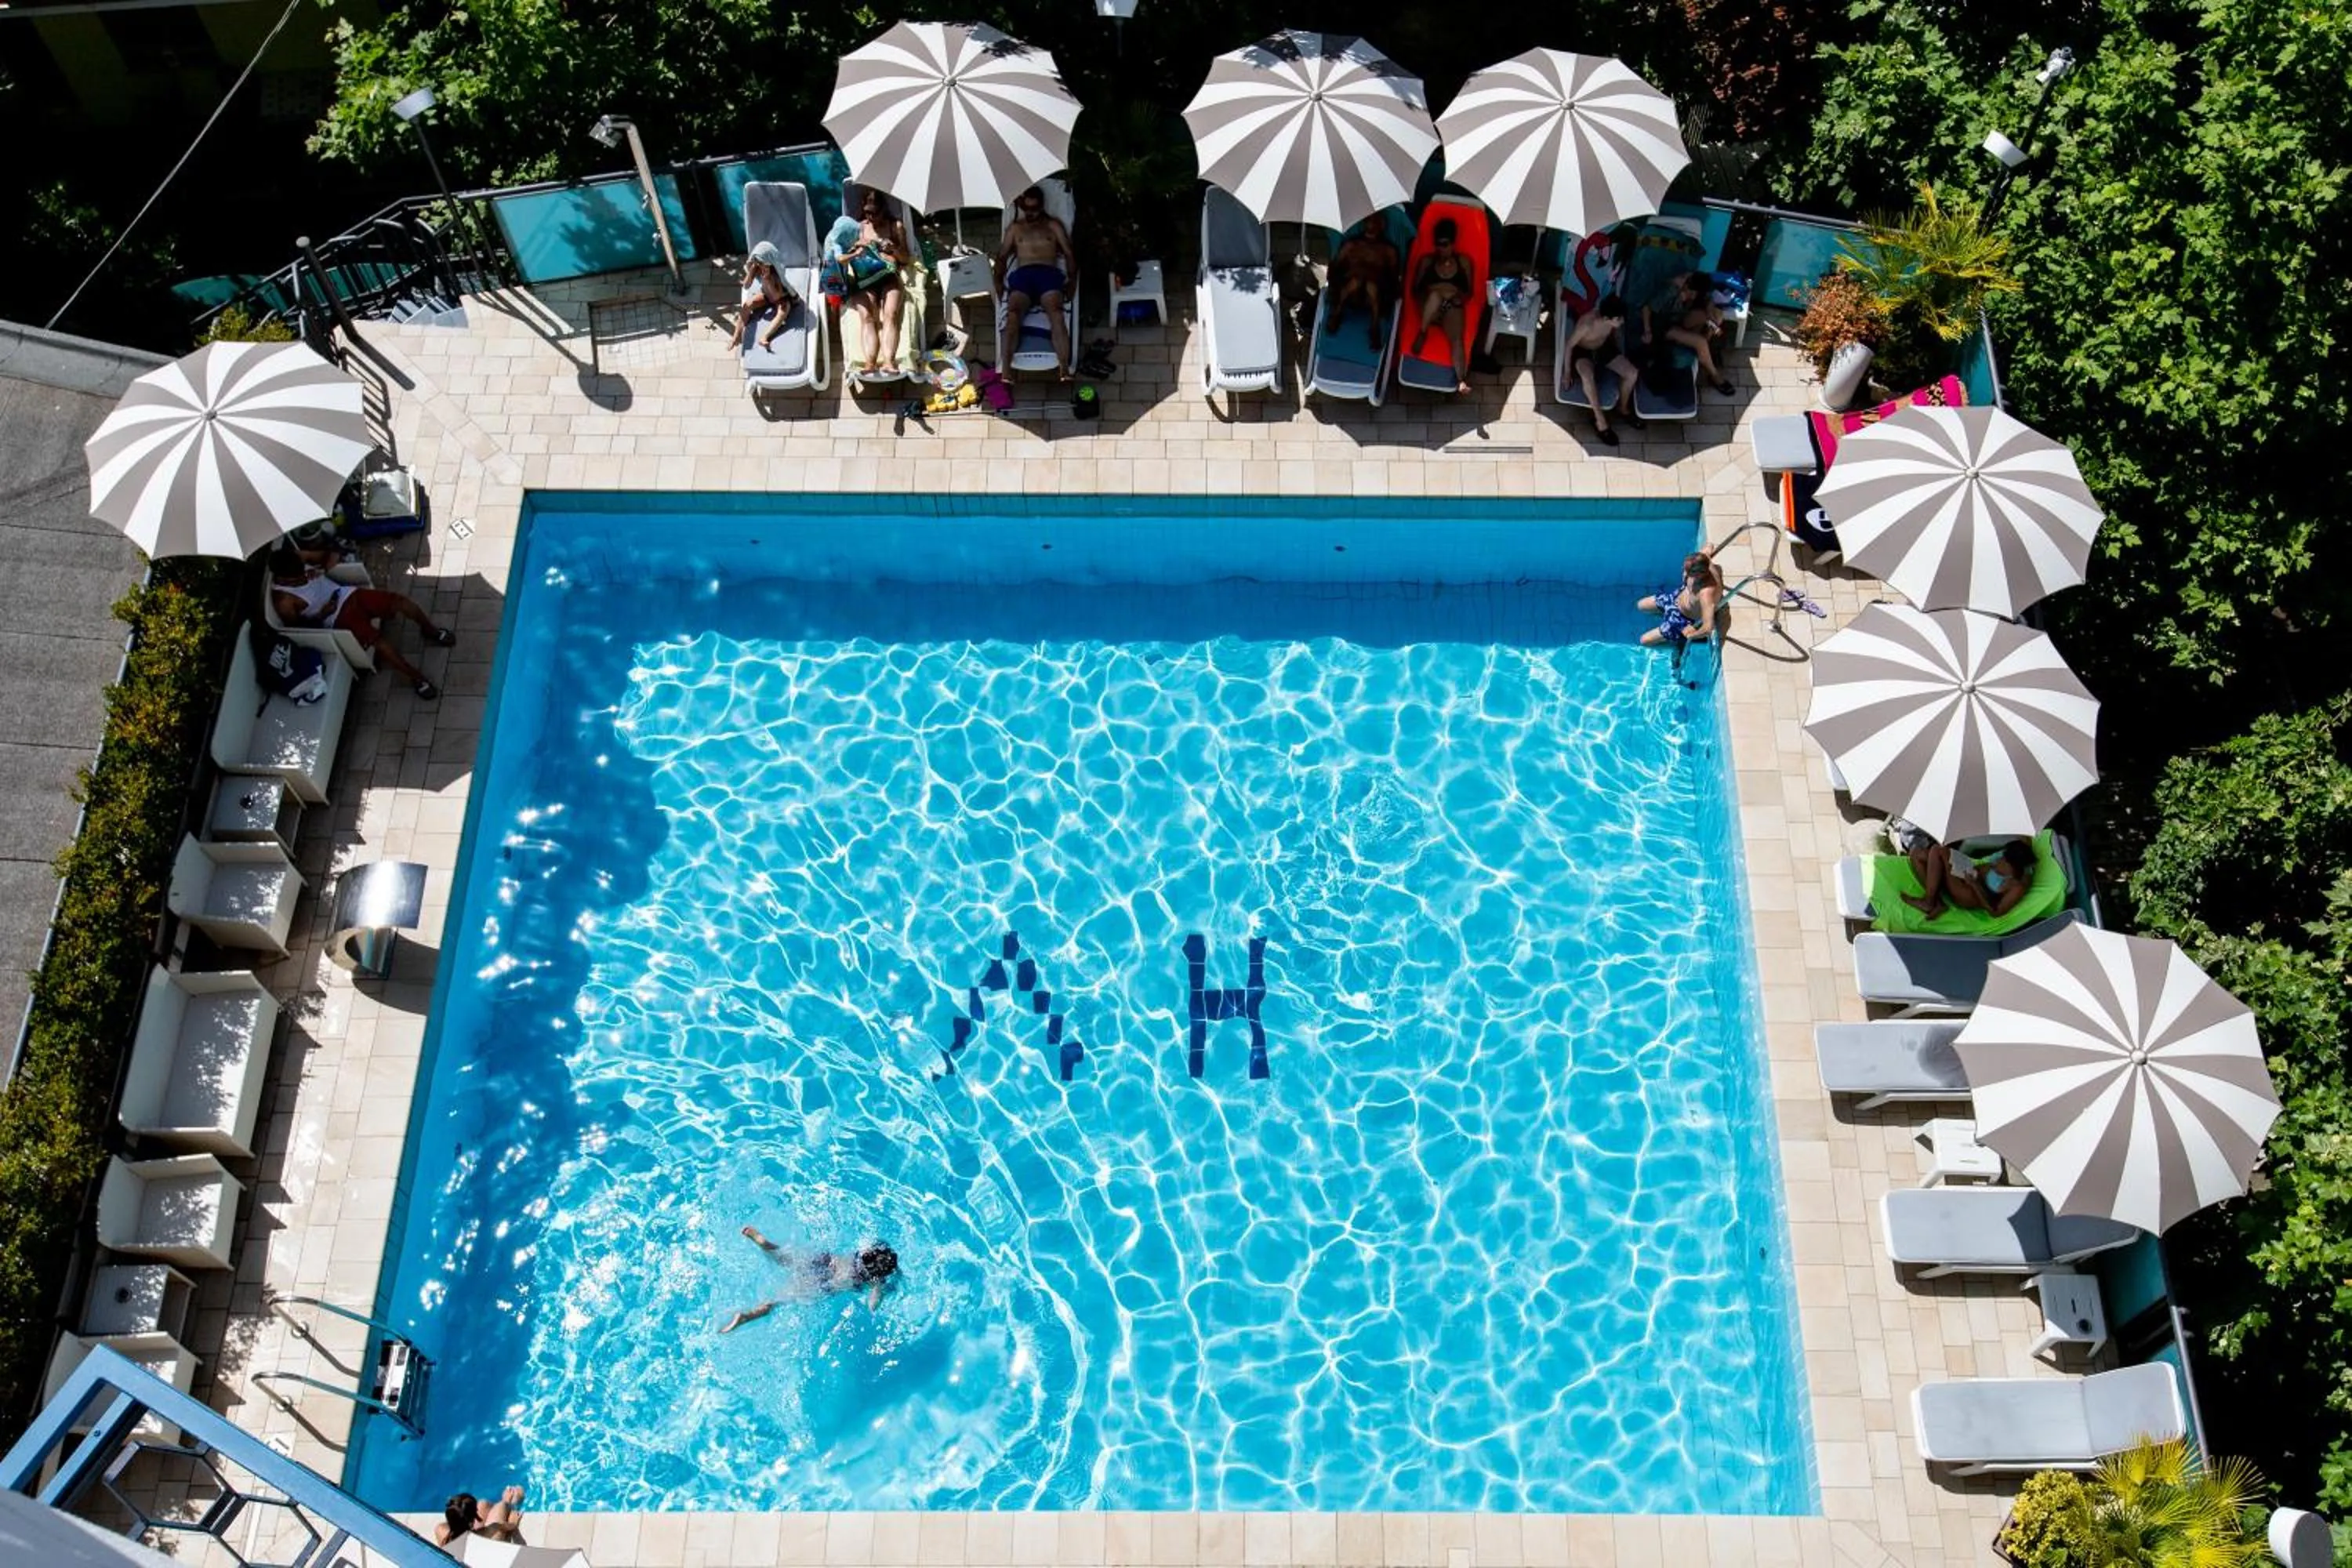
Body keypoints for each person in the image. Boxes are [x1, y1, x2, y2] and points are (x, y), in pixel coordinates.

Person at [267, 545, 454, 700]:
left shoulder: (299, 558)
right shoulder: (284, 600)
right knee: (378, 641)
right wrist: (322, 614)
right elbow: (301, 630)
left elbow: (333, 553)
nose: (303, 577)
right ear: (283, 578)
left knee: (400, 602)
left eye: (302, 572)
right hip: (337, 617)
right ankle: (417, 679)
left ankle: (430, 630)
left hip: (348, 594)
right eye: (297, 578)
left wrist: (323, 567)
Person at [719, 1226, 898, 1331]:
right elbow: (872, 1305)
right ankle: (747, 1316)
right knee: (776, 1301)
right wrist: (878, 1291)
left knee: (784, 1257)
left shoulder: (864, 1252)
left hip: (827, 1261)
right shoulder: (874, 1280)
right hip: (824, 1285)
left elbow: (869, 1239)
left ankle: (766, 1245)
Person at [996, 187, 1078, 379]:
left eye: (1035, 209)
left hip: (1048, 274)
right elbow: (1002, 256)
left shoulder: (1053, 225)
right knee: (1013, 314)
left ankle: (1064, 367)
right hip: (1023, 276)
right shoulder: (1015, 228)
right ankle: (1007, 369)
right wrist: (998, 281)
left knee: (1056, 313)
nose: (1031, 214)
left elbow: (1068, 253)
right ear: (1022, 207)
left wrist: (1072, 279)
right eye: (1028, 209)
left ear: (1041, 206)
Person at [838, 188, 910, 374]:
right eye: (867, 211)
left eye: (874, 212)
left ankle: (888, 362)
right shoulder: (858, 228)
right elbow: (844, 255)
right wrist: (857, 249)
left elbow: (905, 259)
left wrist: (893, 248)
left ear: (883, 210)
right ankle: (870, 364)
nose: (870, 216)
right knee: (867, 317)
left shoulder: (895, 226)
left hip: (888, 277)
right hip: (866, 278)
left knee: (890, 314)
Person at [1562, 295, 1644, 445]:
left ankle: (1623, 408)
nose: (1622, 321)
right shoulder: (1587, 325)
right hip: (1583, 351)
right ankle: (1601, 422)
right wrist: (1567, 373)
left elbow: (1615, 337)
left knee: (1632, 373)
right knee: (1587, 376)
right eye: (1618, 319)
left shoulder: (1611, 322)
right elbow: (1569, 345)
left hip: (1603, 348)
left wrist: (1620, 354)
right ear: (1607, 318)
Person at [1408, 217, 1476, 393]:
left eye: (1445, 244)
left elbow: (1469, 292)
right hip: (1429, 308)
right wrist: (1434, 291)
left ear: (1453, 244)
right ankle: (1422, 332)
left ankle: (1461, 379)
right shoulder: (1427, 262)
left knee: (1457, 340)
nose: (1441, 248)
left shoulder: (1463, 263)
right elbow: (1415, 291)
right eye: (1438, 244)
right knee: (1435, 297)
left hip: (1451, 307)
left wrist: (1457, 298)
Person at [1642, 269, 1734, 395]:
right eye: (1692, 293)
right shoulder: (1670, 290)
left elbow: (1709, 300)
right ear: (1686, 286)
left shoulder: (1696, 282)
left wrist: (1709, 312)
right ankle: (1714, 375)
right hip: (1664, 326)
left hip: (1680, 319)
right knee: (1700, 342)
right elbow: (1647, 308)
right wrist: (1648, 331)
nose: (1694, 296)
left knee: (1717, 315)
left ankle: (1703, 353)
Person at [1903, 838, 2036, 921]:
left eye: (2005, 860)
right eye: (2003, 856)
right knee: (1918, 854)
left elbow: (1996, 912)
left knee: (1938, 850)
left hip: (1969, 893)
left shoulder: (2017, 886)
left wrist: (1975, 885)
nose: (2001, 859)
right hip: (1967, 872)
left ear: (2015, 865)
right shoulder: (2011, 853)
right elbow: (2026, 839)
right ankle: (1938, 903)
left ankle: (1929, 902)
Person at [1323, 216, 1400, 349]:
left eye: (1376, 222)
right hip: (1349, 292)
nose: (1372, 226)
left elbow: (1394, 277)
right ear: (1364, 224)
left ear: (1383, 226)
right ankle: (1338, 312)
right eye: (1369, 222)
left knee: (1371, 286)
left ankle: (1375, 325)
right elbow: (1335, 267)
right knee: (1356, 281)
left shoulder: (1388, 250)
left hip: (1375, 296)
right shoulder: (1352, 245)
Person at [1638, 546, 1725, 648]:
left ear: (1701, 574)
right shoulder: (1703, 560)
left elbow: (1708, 628)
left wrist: (1692, 634)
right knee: (1641, 605)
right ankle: (1666, 615)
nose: (1684, 573)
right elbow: (1709, 546)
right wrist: (1708, 550)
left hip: (1681, 619)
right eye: (1684, 569)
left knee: (1644, 640)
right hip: (1675, 598)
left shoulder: (1706, 594)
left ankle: (1678, 640)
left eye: (1688, 572)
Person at [728, 241, 793, 351]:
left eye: (762, 264)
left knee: (784, 310)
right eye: (758, 263)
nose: (760, 266)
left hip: (780, 297)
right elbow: (746, 286)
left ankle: (765, 337)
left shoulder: (775, 274)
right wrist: (751, 271)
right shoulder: (757, 267)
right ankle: (736, 335)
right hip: (766, 295)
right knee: (747, 305)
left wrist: (768, 279)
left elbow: (777, 296)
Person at [434, 1486, 524, 1548]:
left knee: (483, 1504)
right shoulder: (487, 1532)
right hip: (485, 1555)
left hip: (465, 1554)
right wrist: (514, 1523)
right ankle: (509, 1501)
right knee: (502, 1506)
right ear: (471, 1522)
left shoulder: (440, 1530)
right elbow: (509, 1526)